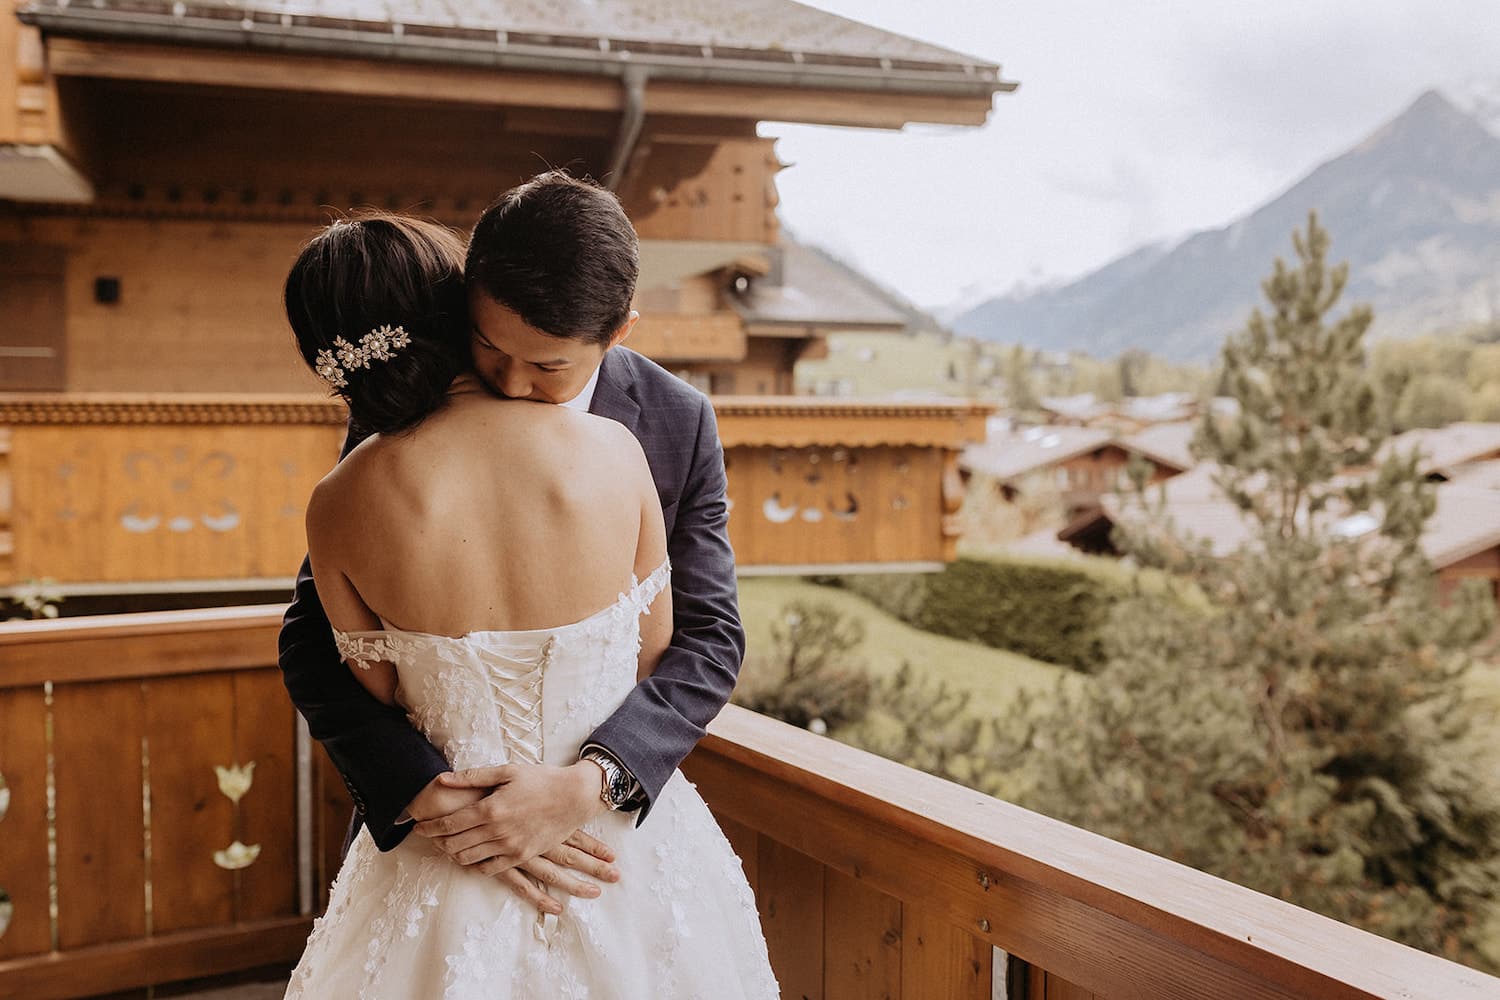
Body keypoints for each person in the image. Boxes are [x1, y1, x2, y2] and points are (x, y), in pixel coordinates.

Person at [278, 208, 777, 997]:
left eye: (547, 365)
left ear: (617, 334)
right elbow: (309, 641)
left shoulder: (675, 422)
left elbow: (712, 638)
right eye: (489, 346)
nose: (511, 382)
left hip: (611, 839)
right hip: (442, 840)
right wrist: (424, 789)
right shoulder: (395, 417)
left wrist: (590, 784)